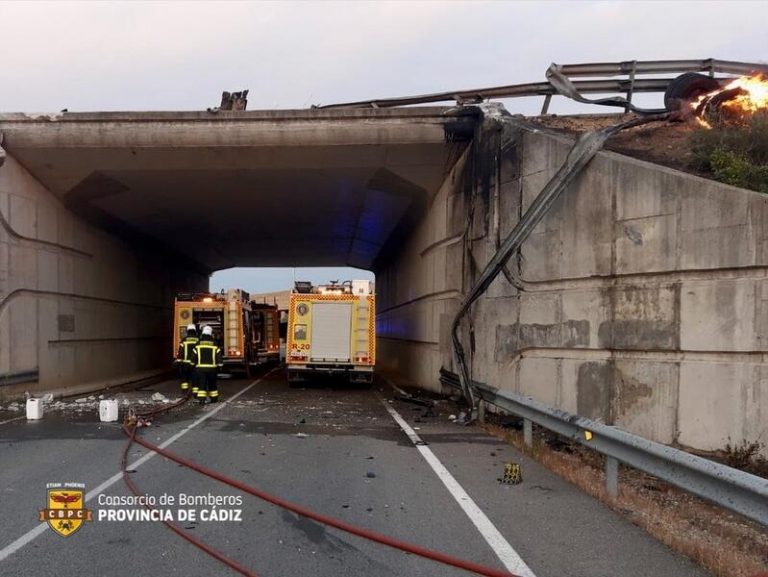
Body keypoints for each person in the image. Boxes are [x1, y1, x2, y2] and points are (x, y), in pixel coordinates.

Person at [192, 325, 223, 404]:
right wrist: (220, 366)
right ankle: (214, 399)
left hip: (200, 369)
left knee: (202, 384)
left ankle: (202, 399)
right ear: (210, 334)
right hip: (212, 369)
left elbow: (194, 356)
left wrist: (192, 364)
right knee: (212, 384)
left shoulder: (198, 343)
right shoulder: (214, 343)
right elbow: (219, 356)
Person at [175, 324, 199, 393]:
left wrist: (179, 362)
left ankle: (184, 391)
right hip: (195, 364)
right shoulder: (198, 340)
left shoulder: (184, 340)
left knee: (184, 378)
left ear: (188, 331)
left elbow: (180, 352)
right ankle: (195, 392)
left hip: (185, 364)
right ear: (194, 330)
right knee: (195, 378)